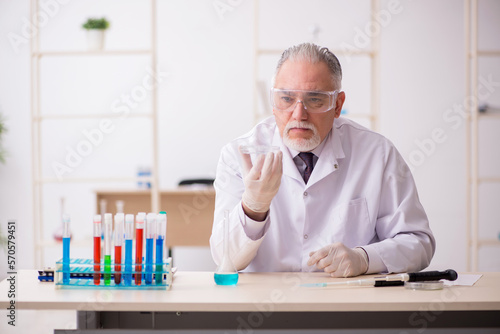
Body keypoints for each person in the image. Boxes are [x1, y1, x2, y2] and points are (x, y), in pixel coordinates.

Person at [210, 43, 435, 277]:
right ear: (273, 102)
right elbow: (226, 260)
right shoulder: (239, 155)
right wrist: (253, 208)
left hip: (347, 305)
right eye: (286, 99)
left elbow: (418, 243)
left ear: (337, 105)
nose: (299, 114)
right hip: (261, 307)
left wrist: (364, 258)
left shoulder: (377, 154)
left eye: (315, 100)